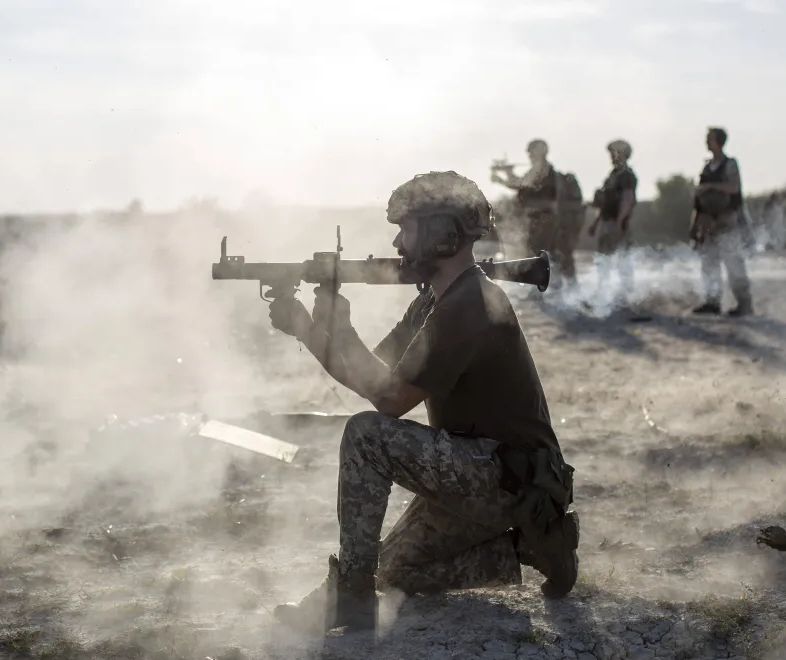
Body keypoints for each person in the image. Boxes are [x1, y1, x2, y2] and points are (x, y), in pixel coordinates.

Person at [266, 171, 579, 635]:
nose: (396, 241)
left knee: (366, 435)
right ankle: (533, 546)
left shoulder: (468, 305)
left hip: (507, 476)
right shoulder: (437, 301)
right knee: (393, 573)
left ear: (440, 232)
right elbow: (381, 371)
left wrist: (316, 330)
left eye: (406, 228)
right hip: (486, 473)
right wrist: (325, 326)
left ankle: (350, 598)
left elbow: (389, 401)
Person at [689, 127, 753, 316]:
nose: (706, 142)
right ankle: (712, 302)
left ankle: (744, 304)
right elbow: (698, 200)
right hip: (708, 221)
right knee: (709, 263)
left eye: (709, 139)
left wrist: (710, 186)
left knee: (733, 262)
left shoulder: (729, 164)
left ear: (718, 141)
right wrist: (694, 225)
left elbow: (734, 187)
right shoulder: (707, 167)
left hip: (727, 219)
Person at [491, 140, 562, 273]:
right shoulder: (541, 168)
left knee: (538, 255)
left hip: (542, 219)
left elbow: (522, 184)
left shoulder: (541, 167)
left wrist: (500, 179)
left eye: (531, 151)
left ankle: (542, 287)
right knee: (543, 255)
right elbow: (522, 184)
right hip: (541, 218)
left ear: (540, 151)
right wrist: (508, 173)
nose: (529, 155)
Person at [587, 139, 638, 305]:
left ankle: (626, 297)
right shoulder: (612, 175)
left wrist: (619, 222)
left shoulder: (626, 176)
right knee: (603, 261)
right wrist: (595, 223)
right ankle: (603, 294)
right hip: (607, 222)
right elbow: (604, 203)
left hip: (617, 223)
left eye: (614, 152)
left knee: (623, 261)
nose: (611, 156)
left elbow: (627, 199)